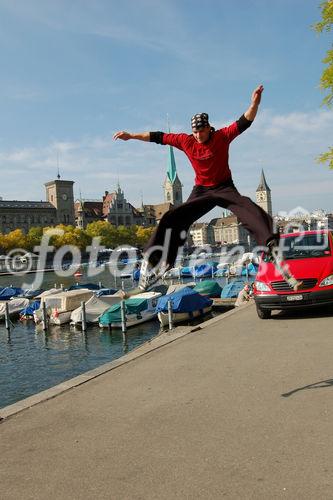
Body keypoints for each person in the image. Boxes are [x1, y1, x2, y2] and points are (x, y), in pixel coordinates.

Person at [113, 85, 302, 294]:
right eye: (195, 132)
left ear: (209, 128)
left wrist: (254, 103)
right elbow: (158, 136)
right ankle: (155, 264)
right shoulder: (186, 141)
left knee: (250, 209)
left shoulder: (221, 137)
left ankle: (274, 252)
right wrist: (131, 136)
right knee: (173, 217)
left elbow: (245, 121)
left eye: (201, 131)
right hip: (201, 190)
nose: (198, 135)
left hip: (224, 187)